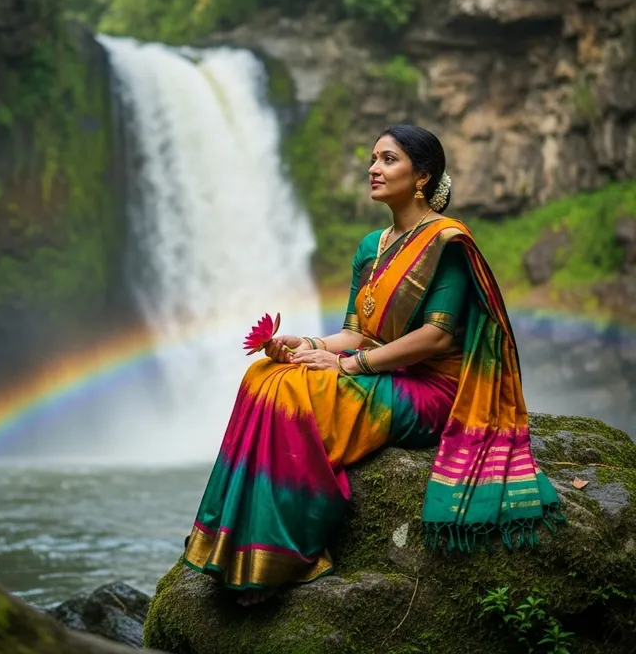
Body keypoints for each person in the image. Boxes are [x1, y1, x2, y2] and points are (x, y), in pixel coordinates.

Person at [182, 125, 563, 606]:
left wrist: (346, 367)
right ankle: (238, 544)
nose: (373, 169)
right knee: (264, 376)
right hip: (381, 366)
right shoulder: (371, 246)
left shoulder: (446, 242)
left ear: (421, 175)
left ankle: (282, 555)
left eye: (387, 159)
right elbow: (356, 331)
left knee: (298, 393)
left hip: (431, 388)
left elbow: (436, 336)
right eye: (373, 159)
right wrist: (307, 343)